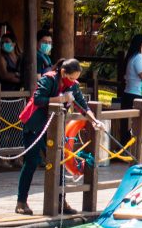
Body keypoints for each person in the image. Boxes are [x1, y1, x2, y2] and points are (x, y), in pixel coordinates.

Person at [16, 59, 102, 215]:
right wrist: (61, 99)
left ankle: (61, 201)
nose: (72, 81)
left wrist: (94, 120)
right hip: (35, 125)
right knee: (32, 162)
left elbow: (83, 106)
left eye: (75, 78)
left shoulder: (73, 86)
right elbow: (38, 99)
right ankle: (21, 201)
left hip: (54, 128)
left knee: (60, 161)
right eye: (70, 78)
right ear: (63, 72)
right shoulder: (48, 79)